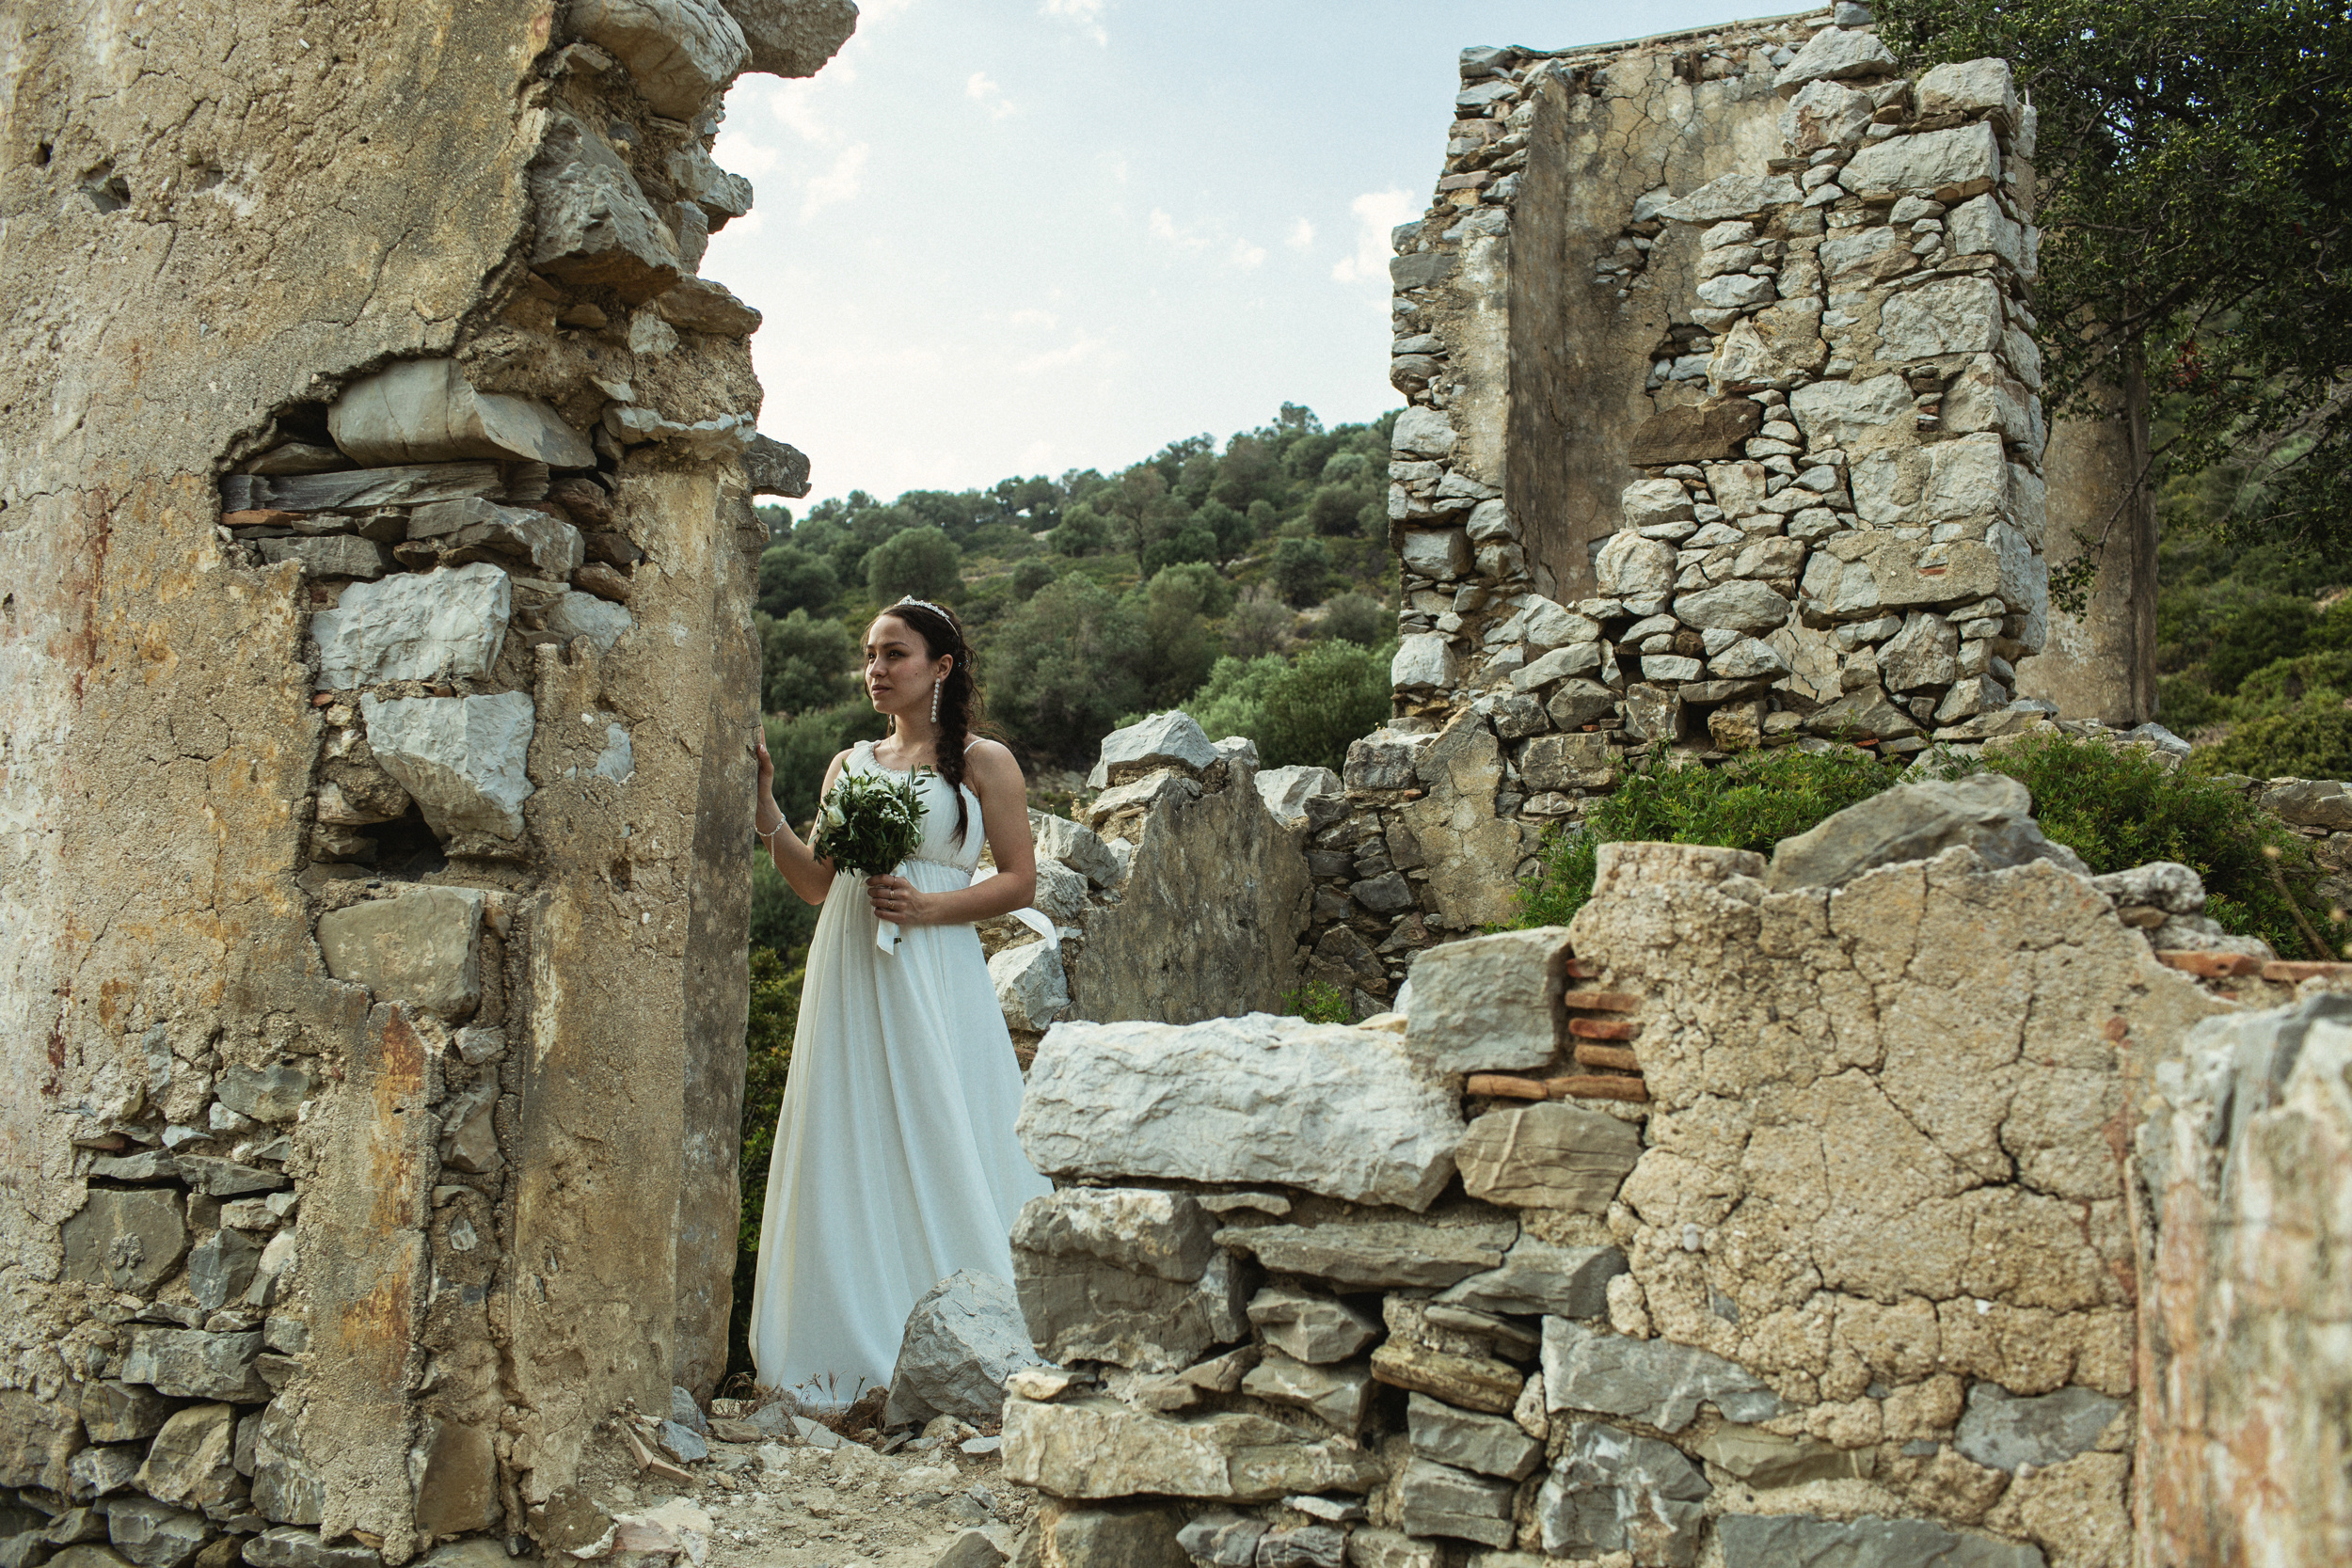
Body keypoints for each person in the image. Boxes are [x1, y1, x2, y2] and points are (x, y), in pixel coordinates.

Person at [746, 595, 1053, 1403]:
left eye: (894, 654)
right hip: (850, 962)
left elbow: (1021, 878)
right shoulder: (852, 765)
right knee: (850, 1129)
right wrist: (768, 810)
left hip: (936, 965)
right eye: (870, 655)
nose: (875, 669)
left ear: (940, 666)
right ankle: (841, 1345)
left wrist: (929, 907)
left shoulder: (985, 763)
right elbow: (816, 883)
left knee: (942, 1116)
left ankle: (967, 1328)